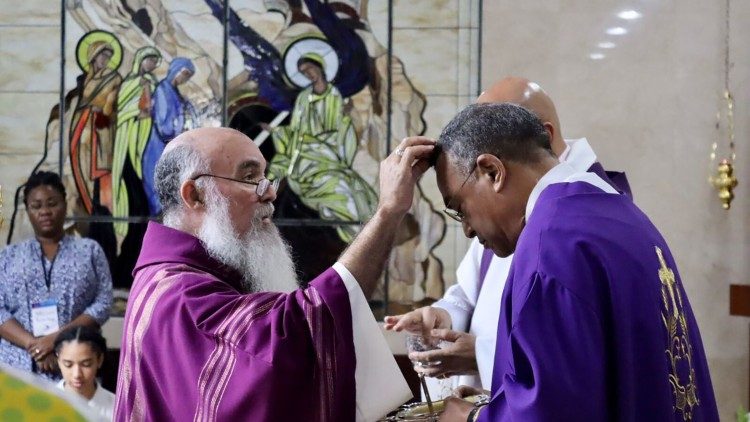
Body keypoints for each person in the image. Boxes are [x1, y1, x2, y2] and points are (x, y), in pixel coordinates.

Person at [114, 127, 434, 421]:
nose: (269, 193)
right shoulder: (178, 296)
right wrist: (388, 211)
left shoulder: (184, 276)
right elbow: (289, 336)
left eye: (267, 177)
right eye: (251, 177)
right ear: (194, 195)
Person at [425, 103, 718, 421]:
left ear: (492, 172)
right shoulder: (618, 211)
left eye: (459, 207)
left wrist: (470, 419)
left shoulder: (550, 244)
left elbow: (558, 413)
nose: (467, 228)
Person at [384, 77, 631, 393]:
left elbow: (565, 375)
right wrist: (444, 315)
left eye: (486, 129)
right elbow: (471, 293)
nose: (469, 229)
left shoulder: (563, 233)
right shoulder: (527, 208)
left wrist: (483, 357)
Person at [0, 171, 113, 378]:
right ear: (28, 210)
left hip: (76, 366)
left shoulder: (89, 250)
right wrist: (34, 346)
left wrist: (56, 339)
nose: (45, 211)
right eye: (37, 206)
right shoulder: (8, 257)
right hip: (18, 367)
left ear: (64, 204)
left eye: (52, 203)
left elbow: (104, 302)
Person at [267, 52, 377, 242]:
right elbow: (295, 131)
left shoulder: (336, 96)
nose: (308, 73)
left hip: (330, 154)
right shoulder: (303, 97)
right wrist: (276, 131)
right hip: (306, 158)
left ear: (320, 66)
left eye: (310, 68)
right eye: (303, 72)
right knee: (338, 189)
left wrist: (347, 119)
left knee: (348, 188)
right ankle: (358, 233)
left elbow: (344, 129)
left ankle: (360, 233)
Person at [112, 46, 162, 238]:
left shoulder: (152, 83)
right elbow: (120, 111)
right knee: (128, 178)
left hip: (145, 139)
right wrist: (136, 112)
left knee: (144, 179)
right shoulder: (130, 83)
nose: (151, 64)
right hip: (127, 137)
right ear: (140, 60)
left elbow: (153, 108)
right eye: (149, 60)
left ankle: (144, 224)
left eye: (154, 62)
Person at [70, 38, 123, 215]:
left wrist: (104, 109)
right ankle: (86, 205)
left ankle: (104, 210)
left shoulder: (114, 77)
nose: (105, 60)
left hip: (102, 129)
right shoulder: (84, 79)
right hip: (83, 126)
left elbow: (111, 105)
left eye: (108, 57)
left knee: (102, 171)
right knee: (82, 166)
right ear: (93, 56)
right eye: (102, 56)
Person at [141, 57, 197, 216]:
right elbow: (164, 126)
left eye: (188, 76)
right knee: (158, 191)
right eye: (184, 73)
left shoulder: (175, 93)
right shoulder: (162, 90)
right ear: (175, 70)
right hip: (158, 148)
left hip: (169, 148)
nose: (185, 78)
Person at [55, 325, 115, 420]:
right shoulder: (44, 402)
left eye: (86, 364)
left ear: (99, 360)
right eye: (68, 365)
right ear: (58, 361)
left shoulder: (117, 407)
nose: (77, 374)